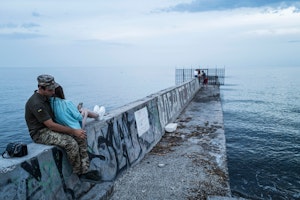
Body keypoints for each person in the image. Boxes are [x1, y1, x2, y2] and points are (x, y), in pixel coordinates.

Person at [25, 74, 101, 182]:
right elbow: (50, 125)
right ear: (41, 88)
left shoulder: (46, 97)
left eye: (53, 89)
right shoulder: (36, 103)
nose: (53, 92)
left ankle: (85, 170)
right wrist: (74, 131)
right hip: (40, 133)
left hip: (50, 127)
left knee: (81, 137)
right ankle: (78, 172)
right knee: (71, 143)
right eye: (50, 90)